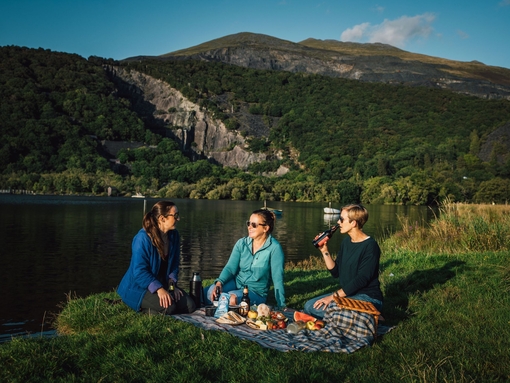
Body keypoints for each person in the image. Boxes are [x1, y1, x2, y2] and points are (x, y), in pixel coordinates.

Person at [304, 204, 383, 319]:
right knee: (309, 306)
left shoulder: (370, 246)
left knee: (328, 309)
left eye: (341, 219)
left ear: (353, 223)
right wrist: (324, 251)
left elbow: (361, 280)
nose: (338, 222)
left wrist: (332, 297)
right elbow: (335, 272)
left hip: (368, 297)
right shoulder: (346, 243)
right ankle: (362, 317)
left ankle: (370, 314)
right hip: (348, 295)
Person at [118, 201, 196, 315]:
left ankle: (156, 306)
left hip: (162, 283)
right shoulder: (142, 239)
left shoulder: (174, 236)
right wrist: (159, 289)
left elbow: (174, 264)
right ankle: (138, 307)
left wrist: (172, 286)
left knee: (190, 306)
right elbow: (139, 272)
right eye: (175, 216)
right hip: (139, 287)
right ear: (162, 218)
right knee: (169, 308)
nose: (178, 219)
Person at [204, 209, 286, 309]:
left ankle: (221, 304)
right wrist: (219, 283)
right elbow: (230, 268)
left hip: (255, 292)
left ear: (265, 228)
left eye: (254, 225)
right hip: (236, 283)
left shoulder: (274, 248)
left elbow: (278, 279)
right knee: (210, 291)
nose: (249, 227)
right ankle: (220, 303)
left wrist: (281, 305)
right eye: (248, 223)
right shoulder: (241, 243)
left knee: (232, 299)